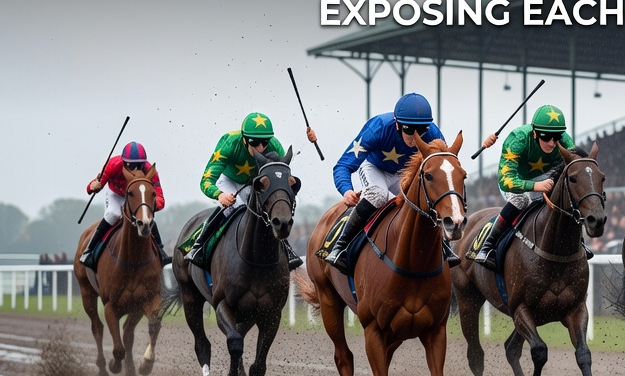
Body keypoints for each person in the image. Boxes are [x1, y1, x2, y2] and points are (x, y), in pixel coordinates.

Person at [322, 93, 475, 272]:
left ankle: (443, 245)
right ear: (397, 124)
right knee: (378, 195)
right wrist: (346, 190)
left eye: (421, 130)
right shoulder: (378, 128)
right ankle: (341, 246)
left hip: (404, 175)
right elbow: (343, 165)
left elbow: (443, 169)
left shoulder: (433, 134)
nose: (414, 137)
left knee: (427, 199)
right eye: (409, 130)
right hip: (375, 168)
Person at [186, 111, 316, 271]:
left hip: (254, 183)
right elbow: (205, 181)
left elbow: (280, 176)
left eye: (265, 142)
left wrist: (308, 141)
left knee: (267, 211)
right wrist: (219, 195)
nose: (261, 148)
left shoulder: (274, 145)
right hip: (229, 181)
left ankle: (287, 249)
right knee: (234, 207)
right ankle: (199, 245)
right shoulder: (229, 144)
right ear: (244, 139)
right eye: (255, 143)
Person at [473, 104, 576, 271]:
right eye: (546, 138)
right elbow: (506, 181)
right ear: (535, 133)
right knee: (521, 200)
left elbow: (576, 166)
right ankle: (487, 246)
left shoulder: (565, 140)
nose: (552, 143)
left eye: (556, 138)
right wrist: (535, 186)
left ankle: (578, 242)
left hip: (548, 175)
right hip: (516, 179)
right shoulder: (517, 139)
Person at [79, 142, 171, 269]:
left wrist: (149, 206)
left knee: (146, 217)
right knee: (113, 214)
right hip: (116, 194)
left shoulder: (150, 171)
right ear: (124, 162)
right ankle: (89, 250)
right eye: (131, 165)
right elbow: (96, 184)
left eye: (139, 165)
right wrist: (93, 186)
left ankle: (161, 252)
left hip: (137, 197)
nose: (135, 169)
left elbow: (160, 197)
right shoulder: (113, 164)